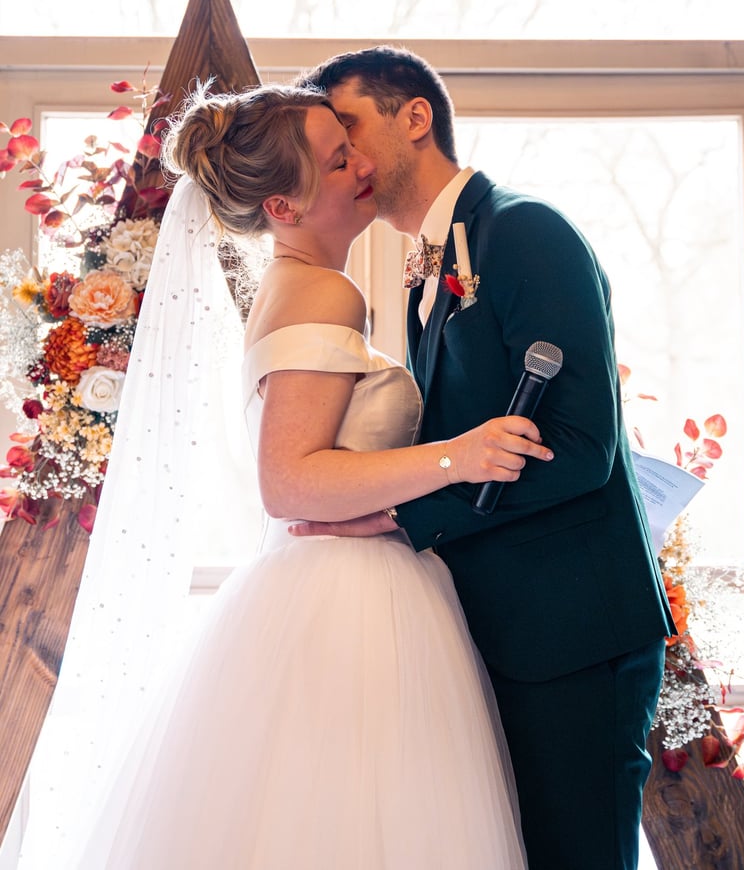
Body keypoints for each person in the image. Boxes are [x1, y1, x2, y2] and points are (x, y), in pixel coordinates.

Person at [50, 83, 554, 869]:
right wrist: (458, 457)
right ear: (283, 207)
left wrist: (399, 505)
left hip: (333, 579)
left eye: (350, 148)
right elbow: (288, 481)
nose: (364, 166)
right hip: (350, 603)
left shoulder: (295, 289)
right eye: (338, 161)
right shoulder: (323, 293)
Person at [295, 46, 676, 870]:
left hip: (571, 634)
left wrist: (401, 514)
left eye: (349, 127)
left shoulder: (524, 230)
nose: (343, 156)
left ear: (415, 117)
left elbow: (580, 448)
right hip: (498, 627)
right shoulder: (427, 265)